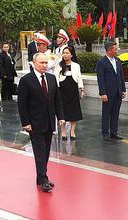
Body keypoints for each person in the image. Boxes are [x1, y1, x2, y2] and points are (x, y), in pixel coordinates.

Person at [17, 52, 65, 192]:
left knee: (46, 152)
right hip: (34, 123)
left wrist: (61, 116)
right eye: (41, 63)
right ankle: (44, 179)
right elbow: (22, 104)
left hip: (50, 122)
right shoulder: (26, 80)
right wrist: (25, 122)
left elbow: (57, 100)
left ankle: (40, 177)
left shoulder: (51, 78)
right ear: (34, 63)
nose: (44, 65)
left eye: (46, 63)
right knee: (40, 152)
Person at [96, 41, 126, 141]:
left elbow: (121, 76)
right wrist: (103, 93)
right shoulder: (102, 62)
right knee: (106, 113)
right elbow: (100, 79)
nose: (117, 50)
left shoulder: (118, 60)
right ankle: (105, 133)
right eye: (115, 49)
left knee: (115, 113)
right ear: (109, 50)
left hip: (118, 91)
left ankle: (114, 132)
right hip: (108, 93)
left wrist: (123, 90)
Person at [54, 47, 84, 141]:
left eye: (67, 53)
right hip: (61, 90)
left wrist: (81, 89)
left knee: (74, 110)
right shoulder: (59, 65)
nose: (65, 55)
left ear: (71, 55)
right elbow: (55, 78)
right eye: (64, 53)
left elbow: (79, 77)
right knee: (62, 110)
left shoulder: (76, 65)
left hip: (73, 89)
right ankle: (63, 131)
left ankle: (72, 131)